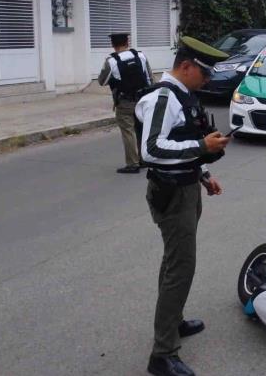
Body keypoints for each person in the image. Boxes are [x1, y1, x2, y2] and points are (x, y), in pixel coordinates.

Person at [135, 36, 231, 376]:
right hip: (171, 194)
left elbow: (181, 141)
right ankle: (161, 355)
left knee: (175, 262)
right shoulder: (163, 97)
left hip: (186, 187)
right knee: (180, 268)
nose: (207, 81)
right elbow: (150, 150)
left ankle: (173, 321)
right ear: (186, 66)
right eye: (203, 74)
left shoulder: (183, 95)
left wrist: (204, 173)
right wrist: (201, 145)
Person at [98, 32, 153, 173]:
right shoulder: (140, 55)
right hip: (143, 100)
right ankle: (144, 159)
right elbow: (150, 78)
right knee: (141, 130)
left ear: (113, 45)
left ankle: (133, 164)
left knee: (128, 132)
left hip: (125, 102)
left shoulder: (111, 61)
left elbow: (102, 81)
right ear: (127, 42)